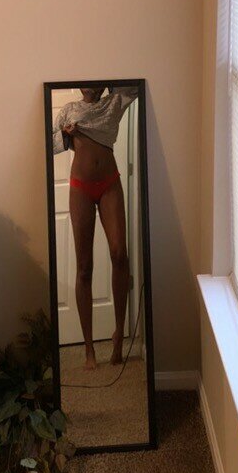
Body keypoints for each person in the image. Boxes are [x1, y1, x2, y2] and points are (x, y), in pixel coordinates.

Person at [53, 85, 138, 369]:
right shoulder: (69, 110)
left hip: (110, 183)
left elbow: (135, 86)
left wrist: (113, 82)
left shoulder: (114, 102)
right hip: (81, 187)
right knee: (84, 267)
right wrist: (65, 133)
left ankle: (118, 333)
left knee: (119, 254)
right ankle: (88, 347)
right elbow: (49, 144)